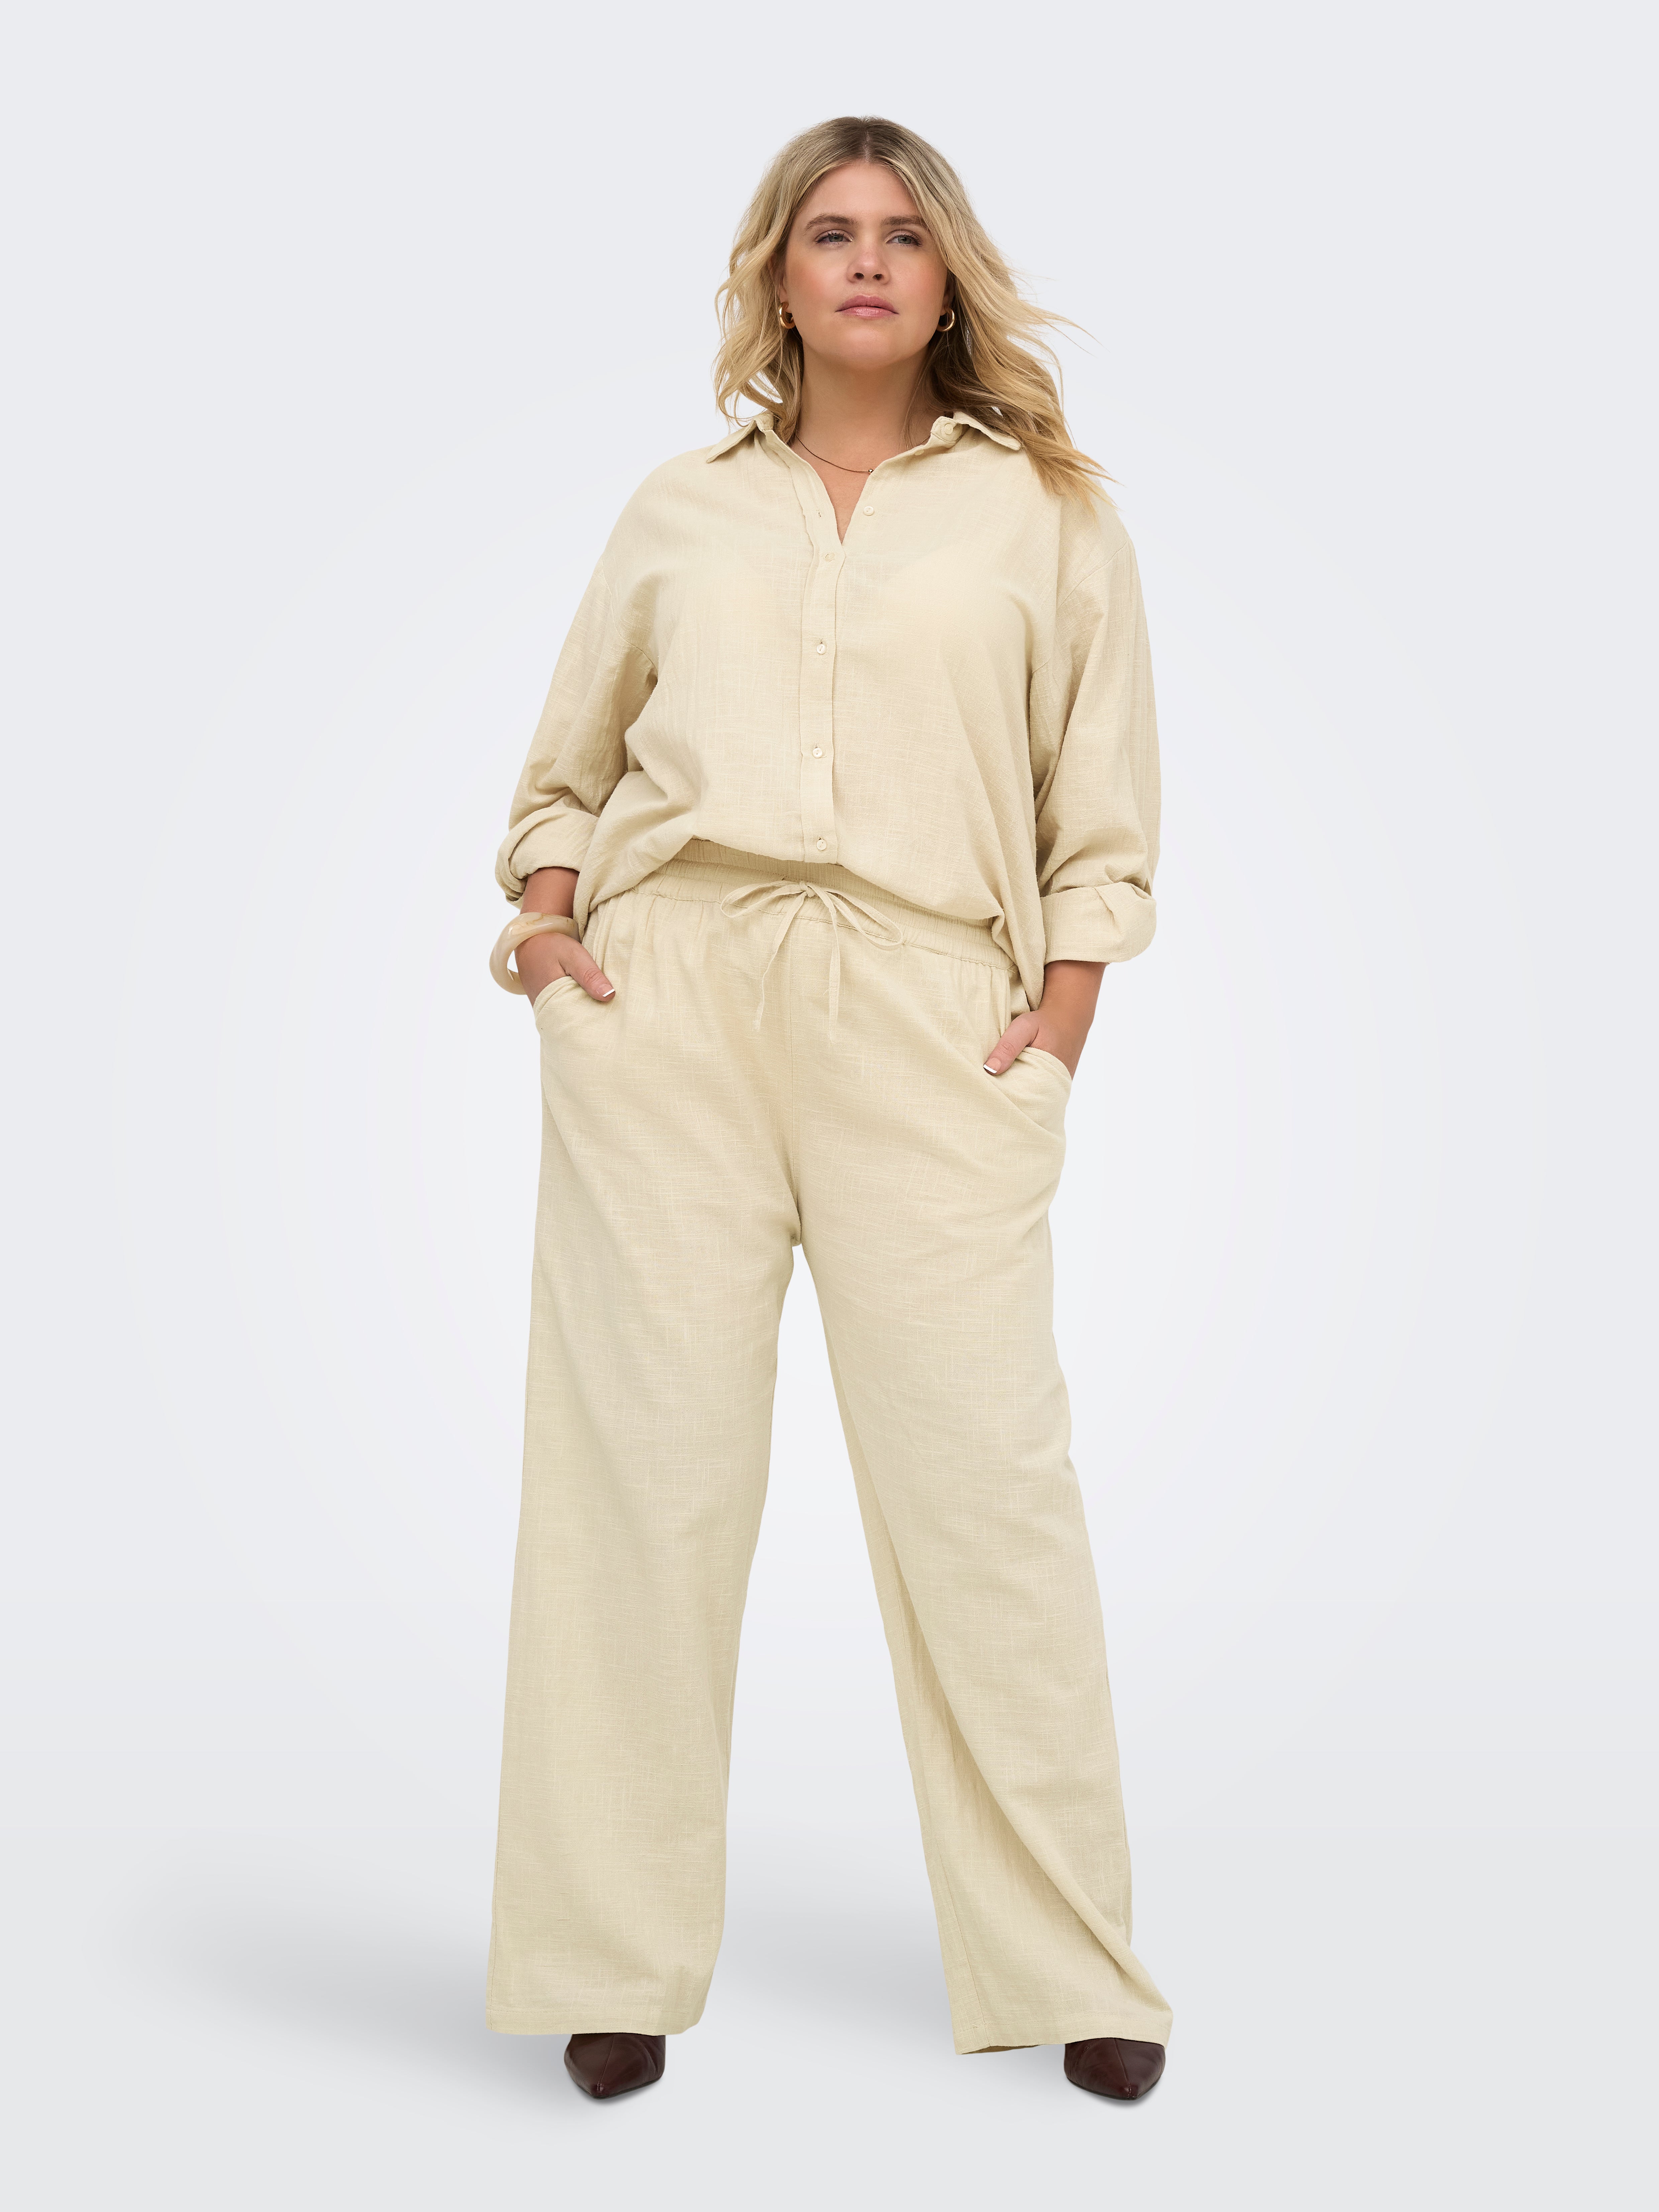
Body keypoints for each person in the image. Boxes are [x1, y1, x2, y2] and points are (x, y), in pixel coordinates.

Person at [485, 114, 1172, 2104]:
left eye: (903, 234)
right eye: (827, 231)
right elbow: (566, 767)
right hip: (671, 1002)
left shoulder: (1051, 516)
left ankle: (1073, 1962)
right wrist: (555, 934)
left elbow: (1101, 814)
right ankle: (608, 1959)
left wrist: (1055, 1031)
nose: (867, 261)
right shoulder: (680, 510)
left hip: (934, 1017)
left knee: (988, 1496)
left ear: (949, 277)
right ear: (776, 275)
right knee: (640, 1487)